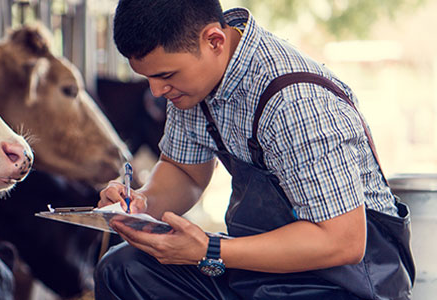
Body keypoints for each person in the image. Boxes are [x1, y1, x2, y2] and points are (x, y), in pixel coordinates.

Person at [94, 0, 415, 299]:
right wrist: (140, 204)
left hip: (342, 280)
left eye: (165, 76)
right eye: (149, 77)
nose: (157, 90)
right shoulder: (192, 84)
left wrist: (210, 250)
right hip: (259, 269)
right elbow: (186, 173)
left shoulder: (295, 101)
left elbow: (342, 242)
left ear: (214, 41)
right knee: (123, 268)